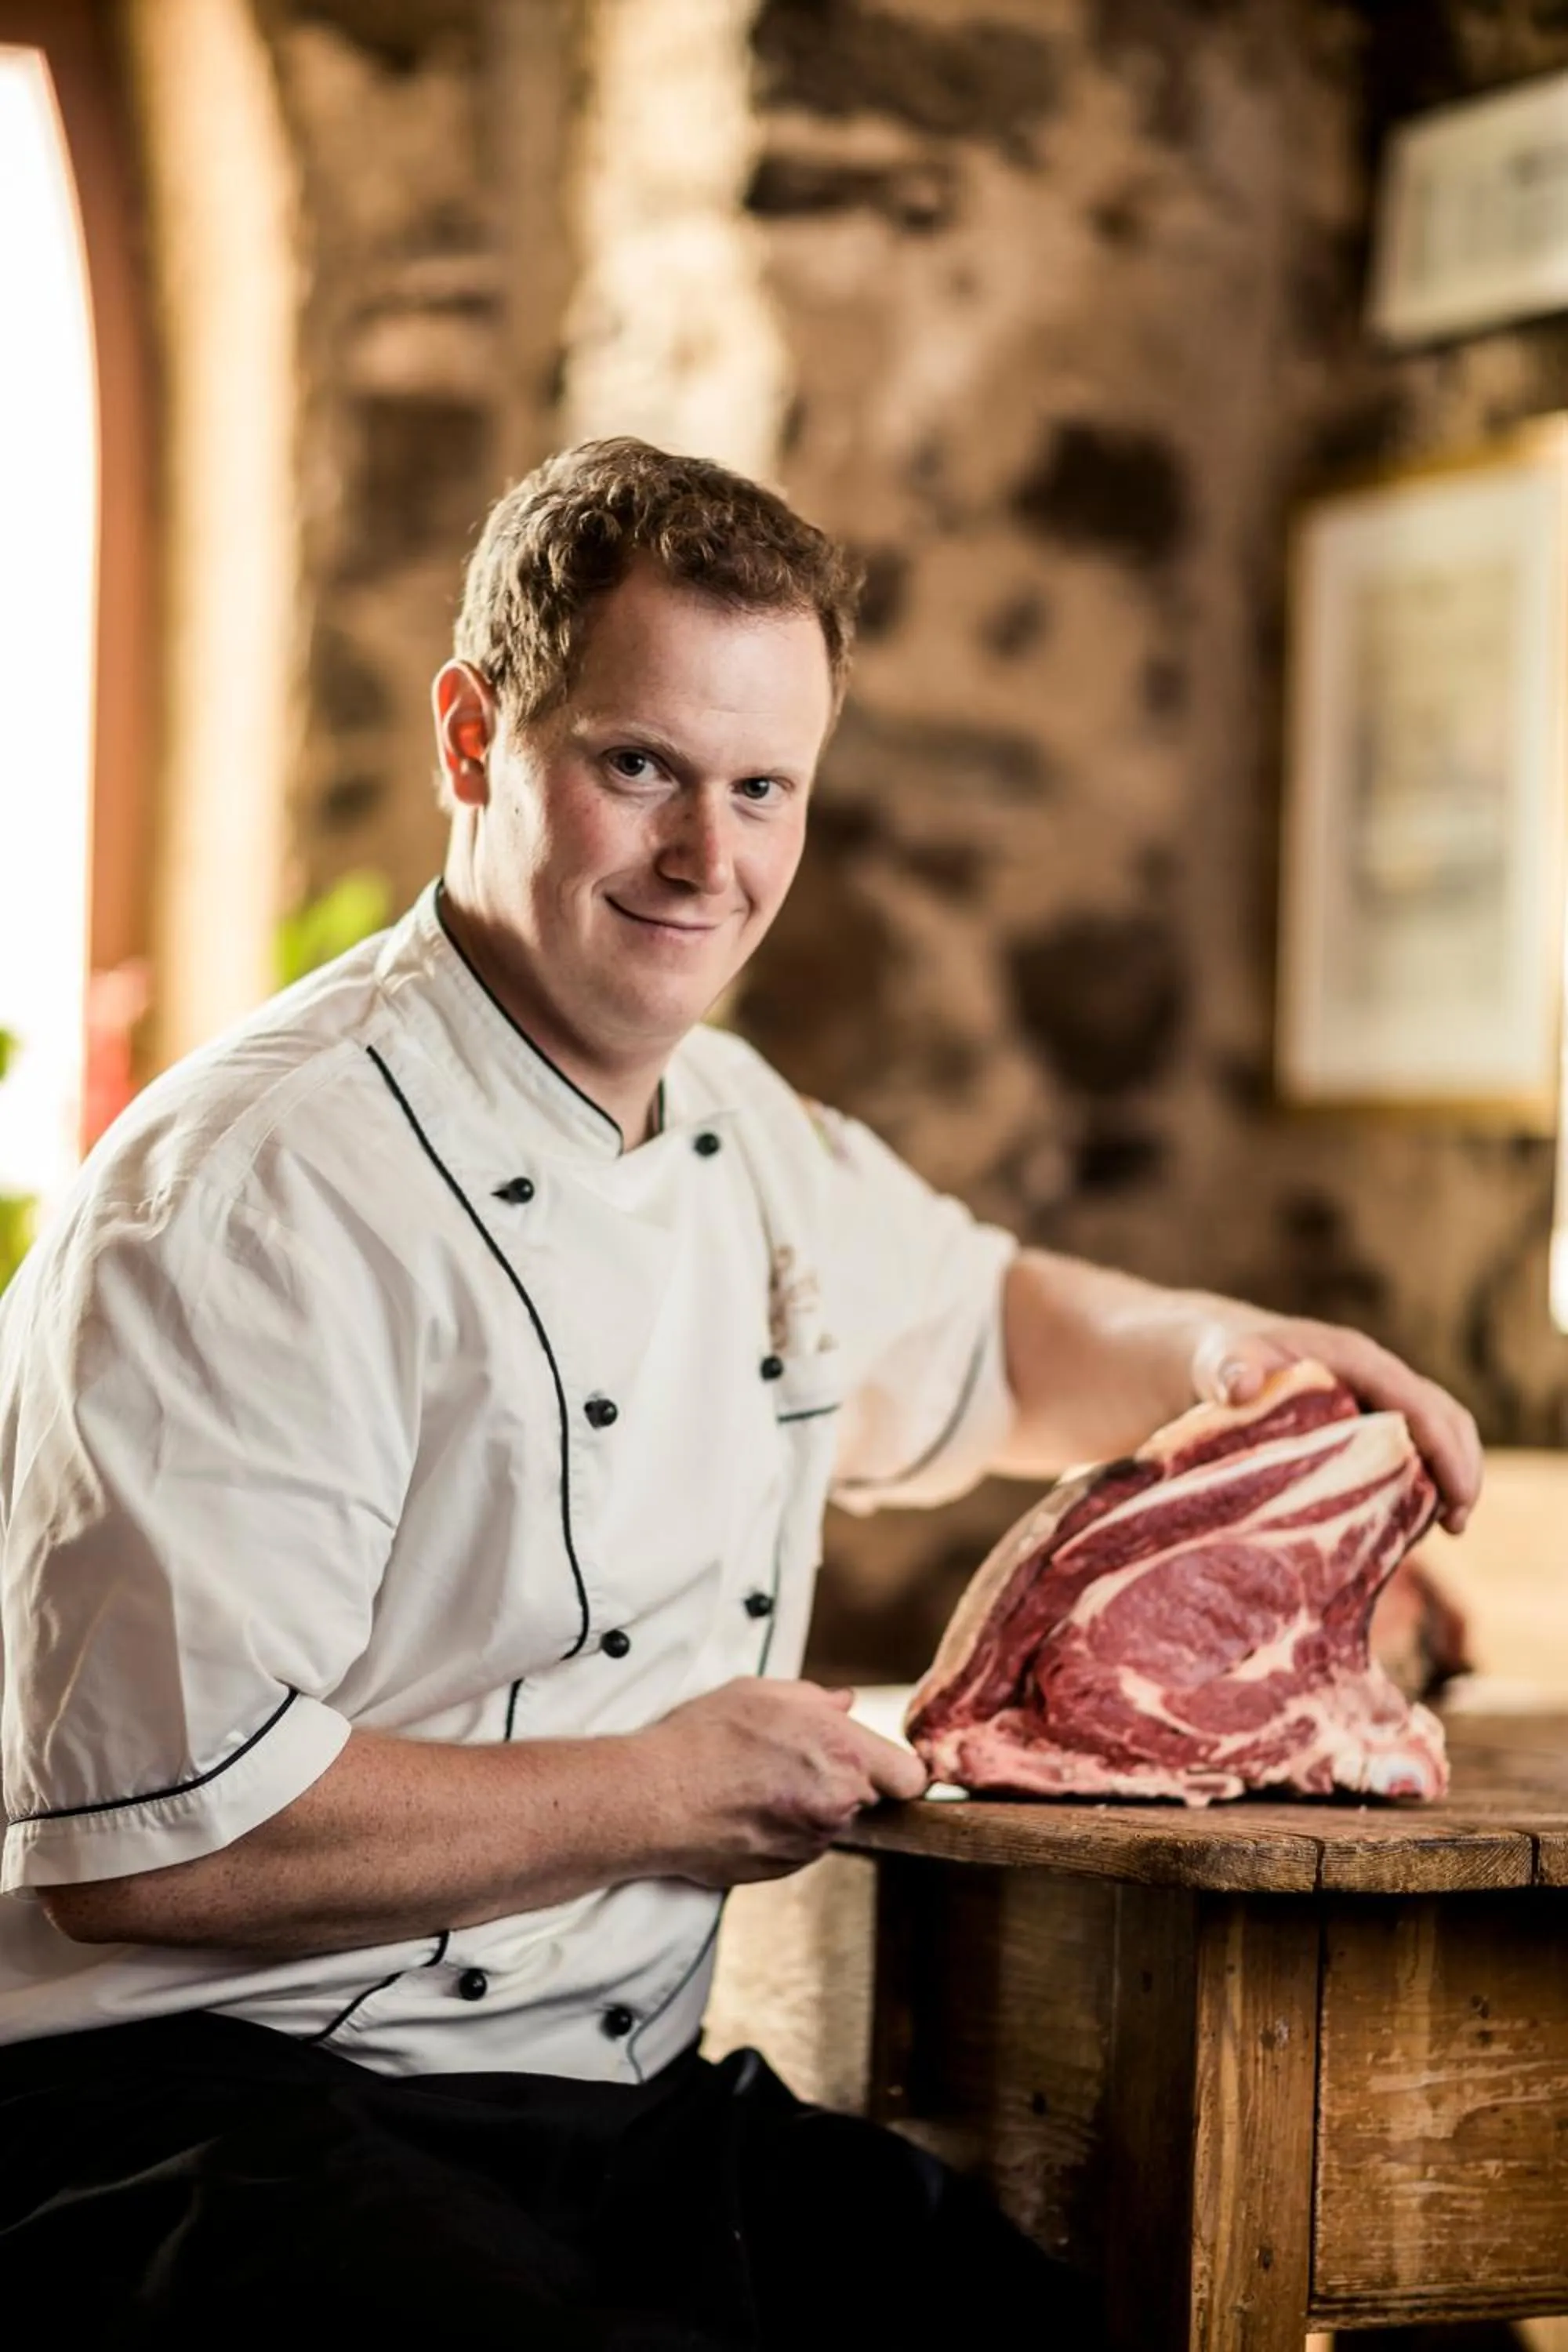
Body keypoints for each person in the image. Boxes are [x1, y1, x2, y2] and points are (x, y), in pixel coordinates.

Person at [0, 439, 1480, 2344]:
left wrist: (1230, 1358)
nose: (714, 858)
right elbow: (162, 1841)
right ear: (473, 737)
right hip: (185, 2110)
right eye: (640, 769)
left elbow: (995, 1332)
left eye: (765, 787)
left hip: (597, 2117)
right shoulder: (255, 1195)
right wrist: (654, 1791)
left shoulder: (735, 1131)